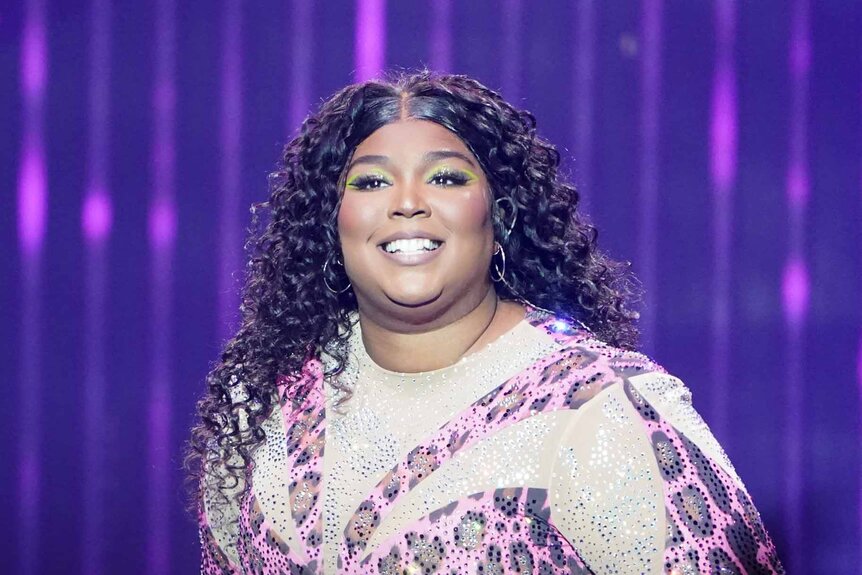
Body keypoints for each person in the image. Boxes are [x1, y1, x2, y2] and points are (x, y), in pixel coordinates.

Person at [187, 71, 784, 574]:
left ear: (499, 217)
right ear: (331, 223)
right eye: (370, 181)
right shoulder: (265, 403)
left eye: (446, 177)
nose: (407, 201)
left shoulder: (601, 411)